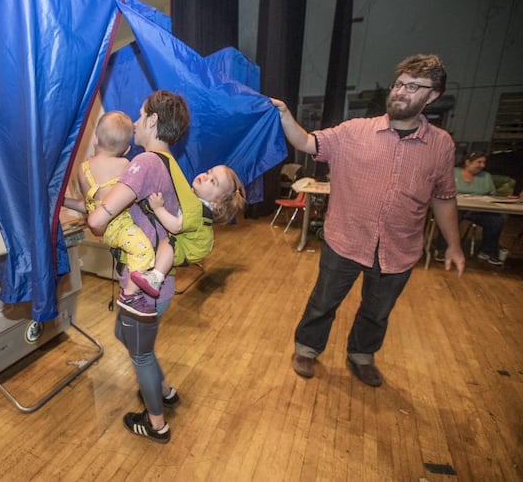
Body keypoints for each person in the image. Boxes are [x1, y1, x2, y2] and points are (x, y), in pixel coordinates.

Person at [271, 53, 465, 388]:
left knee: (377, 311)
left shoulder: (441, 146)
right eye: (400, 83)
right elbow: (306, 141)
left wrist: (454, 246)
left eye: (414, 86)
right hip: (346, 239)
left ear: (433, 96)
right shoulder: (354, 132)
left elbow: (443, 197)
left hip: (399, 249)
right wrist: (285, 114)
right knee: (323, 302)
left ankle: (362, 355)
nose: (401, 91)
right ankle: (307, 348)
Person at [87, 90, 190, 443]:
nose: (134, 119)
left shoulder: (144, 162)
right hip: (158, 279)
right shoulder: (168, 162)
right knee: (125, 337)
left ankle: (157, 424)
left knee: (140, 354)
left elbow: (100, 220)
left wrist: (88, 210)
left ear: (153, 121)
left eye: (140, 113)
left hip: (146, 285)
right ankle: (164, 390)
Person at [63, 110, 157, 301]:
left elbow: (89, 204)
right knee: (144, 250)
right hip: (120, 226)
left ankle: (62, 201)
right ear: (127, 150)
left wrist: (64, 201)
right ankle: (132, 294)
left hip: (102, 228)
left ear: (96, 139)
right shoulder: (124, 164)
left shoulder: (83, 169)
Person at [131, 165, 246, 298]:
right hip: (191, 239)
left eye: (213, 181)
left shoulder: (197, 209)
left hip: (190, 248)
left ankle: (155, 278)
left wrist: (158, 208)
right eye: (208, 172)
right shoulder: (195, 200)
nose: (205, 176)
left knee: (168, 244)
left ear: (216, 202)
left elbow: (175, 226)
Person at [434, 151, 505, 265]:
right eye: (479, 162)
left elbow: (492, 195)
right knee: (449, 217)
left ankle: (487, 251)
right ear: (468, 162)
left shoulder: (486, 176)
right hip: (455, 208)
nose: (482, 165)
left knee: (496, 220)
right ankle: (443, 249)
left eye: (484, 162)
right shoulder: (452, 172)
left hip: (478, 210)